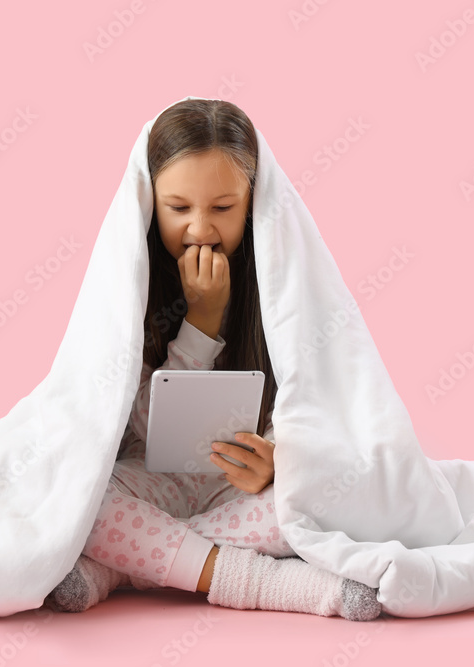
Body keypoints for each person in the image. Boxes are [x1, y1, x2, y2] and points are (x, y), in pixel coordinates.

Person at [43, 99, 382, 622]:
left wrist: (278, 462)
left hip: (241, 493)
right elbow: (132, 425)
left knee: (333, 507)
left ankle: (129, 567)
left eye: (222, 209)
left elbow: (320, 400)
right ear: (150, 202)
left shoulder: (283, 282)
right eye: (178, 208)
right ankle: (266, 583)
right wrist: (199, 321)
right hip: (150, 481)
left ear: (254, 203)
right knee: (78, 503)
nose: (200, 229)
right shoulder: (132, 282)